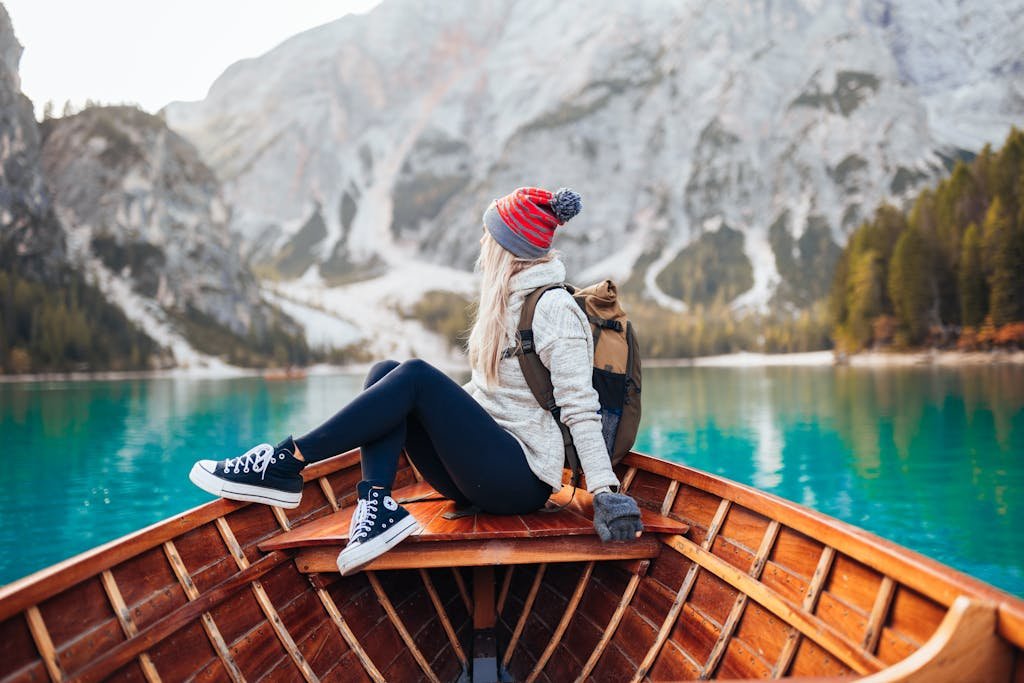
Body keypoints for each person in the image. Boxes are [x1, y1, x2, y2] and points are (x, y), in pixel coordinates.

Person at [189, 186, 643, 575]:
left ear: (509, 247)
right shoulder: (505, 303)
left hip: (520, 480)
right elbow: (484, 399)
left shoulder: (553, 308)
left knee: (416, 378)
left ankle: (286, 461)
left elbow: (580, 408)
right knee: (385, 374)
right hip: (479, 471)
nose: (483, 243)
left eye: (491, 236)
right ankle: (376, 506)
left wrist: (605, 491)